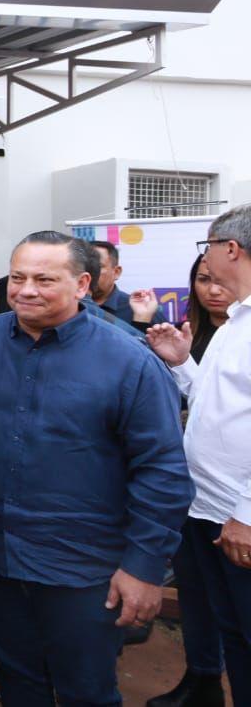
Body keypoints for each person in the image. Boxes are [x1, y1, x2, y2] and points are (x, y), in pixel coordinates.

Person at [0, 230, 192, 706]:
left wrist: (143, 567)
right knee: (19, 683)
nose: (26, 289)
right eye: (18, 276)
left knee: (87, 692)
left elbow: (163, 471)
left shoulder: (130, 360)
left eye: (44, 279)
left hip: (85, 570)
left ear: (83, 284)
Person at [147, 204, 251, 707]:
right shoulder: (236, 321)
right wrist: (183, 364)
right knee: (231, 629)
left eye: (208, 247)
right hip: (208, 508)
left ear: (230, 248)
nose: (206, 260)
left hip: (239, 518)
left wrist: (247, 515)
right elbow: (218, 406)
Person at [91, 240, 166, 326]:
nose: (88, 273)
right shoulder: (73, 309)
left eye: (96, 266)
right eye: (84, 267)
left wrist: (141, 322)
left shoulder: (142, 311)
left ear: (116, 272)